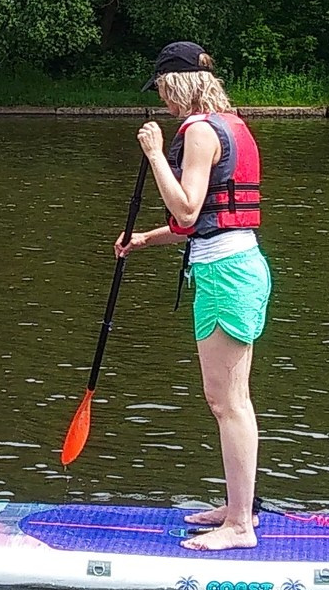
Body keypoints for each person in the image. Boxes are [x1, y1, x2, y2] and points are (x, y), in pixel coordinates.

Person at [114, 40, 270, 552]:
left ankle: (241, 525)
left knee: (230, 403)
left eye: (160, 85)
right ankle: (236, 505)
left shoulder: (200, 133)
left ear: (174, 83)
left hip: (228, 274)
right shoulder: (231, 124)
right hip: (225, 267)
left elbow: (185, 210)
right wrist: (142, 239)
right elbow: (193, 224)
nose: (159, 95)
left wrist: (156, 154)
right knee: (223, 399)